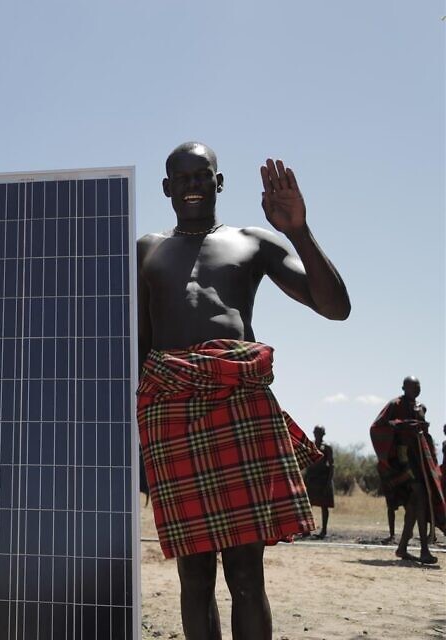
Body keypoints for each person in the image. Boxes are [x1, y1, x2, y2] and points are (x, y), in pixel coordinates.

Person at [137, 142, 350, 640]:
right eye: (182, 177)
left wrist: (297, 230)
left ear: (219, 182)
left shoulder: (252, 241)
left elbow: (335, 307)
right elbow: (139, 344)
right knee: (193, 576)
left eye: (202, 175)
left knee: (246, 576)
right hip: (169, 410)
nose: (192, 184)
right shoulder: (145, 249)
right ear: (167, 188)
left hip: (239, 404)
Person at [370, 377, 446, 564]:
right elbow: (378, 426)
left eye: (419, 386)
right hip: (403, 461)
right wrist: (402, 425)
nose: (417, 389)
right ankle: (424, 550)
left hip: (420, 459)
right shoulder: (394, 404)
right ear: (404, 387)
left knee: (413, 506)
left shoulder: (421, 407)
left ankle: (403, 548)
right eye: (413, 386)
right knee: (419, 497)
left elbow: (424, 435)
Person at [304, 425, 335, 538]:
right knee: (308, 505)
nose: (317, 434)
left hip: (323, 479)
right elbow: (307, 462)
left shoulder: (327, 447)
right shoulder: (310, 445)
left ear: (323, 434)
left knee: (324, 505)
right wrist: (305, 478)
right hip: (312, 478)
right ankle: (306, 529)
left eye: (320, 432)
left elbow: (331, 465)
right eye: (316, 432)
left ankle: (324, 530)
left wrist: (329, 482)